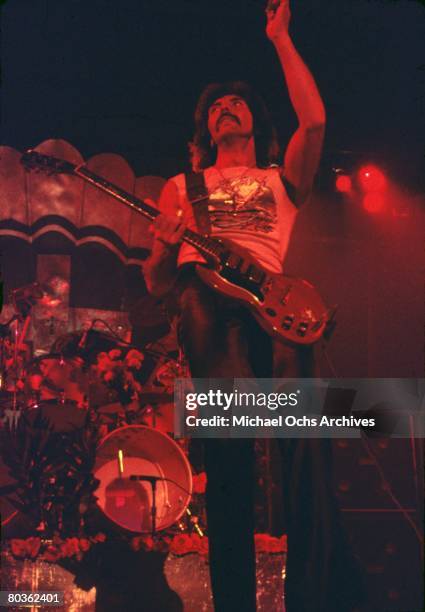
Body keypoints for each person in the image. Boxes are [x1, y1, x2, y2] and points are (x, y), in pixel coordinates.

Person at [144, 2, 364, 610]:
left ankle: (320, 597)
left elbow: (315, 122)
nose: (224, 108)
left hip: (276, 303)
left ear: (253, 122)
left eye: (235, 103)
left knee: (305, 443)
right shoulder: (181, 188)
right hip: (206, 301)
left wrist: (281, 40)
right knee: (231, 444)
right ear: (203, 131)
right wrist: (164, 251)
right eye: (214, 106)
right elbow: (158, 282)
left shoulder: (278, 179)